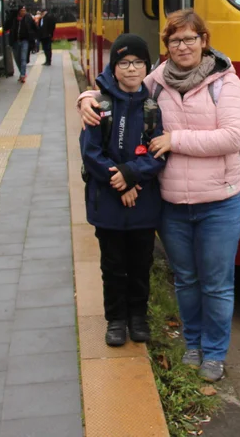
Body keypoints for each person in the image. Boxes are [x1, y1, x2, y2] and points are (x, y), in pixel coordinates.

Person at [78, 10, 240, 382]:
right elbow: (120, 87)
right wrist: (86, 98)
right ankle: (192, 344)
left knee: (217, 282)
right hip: (172, 202)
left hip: (219, 201)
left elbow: (233, 137)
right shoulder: (157, 81)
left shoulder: (226, 82)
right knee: (185, 279)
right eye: (175, 41)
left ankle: (214, 354)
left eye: (190, 39)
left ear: (204, 41)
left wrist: (176, 140)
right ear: (166, 48)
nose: (183, 46)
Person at [80, 34, 166, 347]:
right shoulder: (99, 105)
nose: (132, 69)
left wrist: (132, 177)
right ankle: (115, 319)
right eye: (124, 63)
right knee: (113, 265)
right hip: (109, 202)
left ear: (146, 67)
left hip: (142, 201)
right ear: (114, 67)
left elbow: (159, 154)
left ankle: (137, 317)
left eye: (138, 62)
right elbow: (90, 153)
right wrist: (119, 183)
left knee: (141, 264)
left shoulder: (152, 107)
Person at [9, 5, 37, 83]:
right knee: (17, 59)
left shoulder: (28, 17)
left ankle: (22, 75)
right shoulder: (13, 18)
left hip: (25, 41)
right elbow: (6, 26)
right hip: (15, 41)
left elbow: (34, 27)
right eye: (22, 10)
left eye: (25, 10)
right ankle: (22, 73)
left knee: (23, 58)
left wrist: (34, 36)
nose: (24, 12)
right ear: (18, 11)